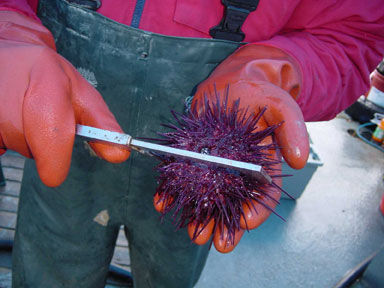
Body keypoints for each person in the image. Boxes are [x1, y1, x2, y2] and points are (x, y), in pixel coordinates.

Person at [0, 0, 383, 287]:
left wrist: (279, 69)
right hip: (60, 155)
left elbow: (353, 33)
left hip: (188, 203)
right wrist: (8, 33)